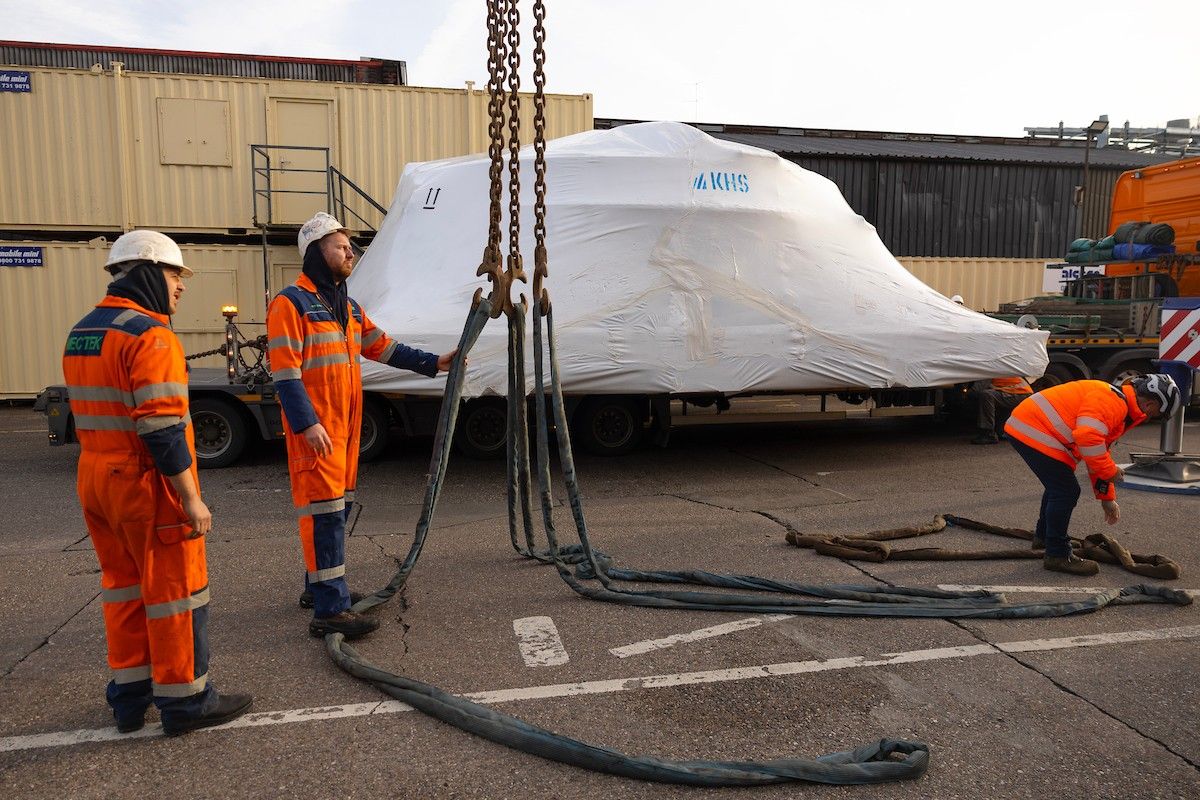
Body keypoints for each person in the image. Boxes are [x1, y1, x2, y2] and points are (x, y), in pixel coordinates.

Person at [63, 230, 252, 736]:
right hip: (146, 482)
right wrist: (191, 498)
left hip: (96, 477)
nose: (181, 287)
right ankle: (186, 702)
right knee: (176, 593)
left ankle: (129, 698)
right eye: (173, 275)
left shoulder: (82, 332)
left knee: (123, 589)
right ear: (146, 273)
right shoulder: (151, 336)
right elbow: (162, 426)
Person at [267, 212, 457, 639]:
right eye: (339, 245)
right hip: (317, 431)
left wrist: (433, 363)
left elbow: (381, 346)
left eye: (349, 246)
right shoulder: (290, 304)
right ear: (316, 252)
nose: (349, 251)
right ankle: (331, 610)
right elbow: (285, 374)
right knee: (325, 515)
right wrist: (306, 424)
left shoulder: (347, 307)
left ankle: (319, 589)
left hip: (345, 431)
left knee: (336, 511)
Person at [1003, 374, 1182, 575]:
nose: (1149, 418)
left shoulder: (1115, 400)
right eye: (1155, 415)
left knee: (1059, 487)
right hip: (1033, 429)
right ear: (1149, 405)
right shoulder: (1113, 403)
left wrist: (1107, 498)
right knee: (1065, 491)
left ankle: (1044, 538)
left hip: (1030, 425)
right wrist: (1110, 471)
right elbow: (1089, 439)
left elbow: (1098, 453)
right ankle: (1057, 554)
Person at [970, 376, 1033, 444]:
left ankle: (988, 434)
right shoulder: (999, 367)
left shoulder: (987, 370)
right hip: (1021, 392)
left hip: (1019, 392)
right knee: (999, 399)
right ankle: (1002, 431)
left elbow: (976, 389)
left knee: (986, 395)